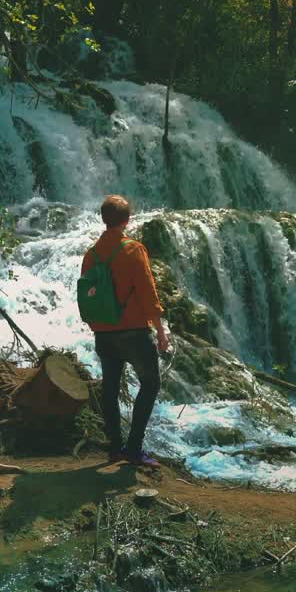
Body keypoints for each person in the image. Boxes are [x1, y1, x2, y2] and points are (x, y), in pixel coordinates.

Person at [81, 195, 171, 467]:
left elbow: (87, 295)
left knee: (110, 388)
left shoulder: (91, 254)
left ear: (104, 219)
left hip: (104, 333)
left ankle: (115, 448)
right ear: (127, 220)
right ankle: (133, 448)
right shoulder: (134, 250)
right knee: (151, 383)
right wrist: (161, 331)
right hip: (133, 331)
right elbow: (147, 292)